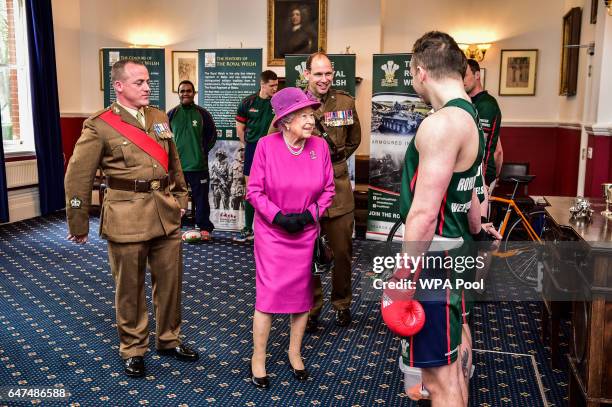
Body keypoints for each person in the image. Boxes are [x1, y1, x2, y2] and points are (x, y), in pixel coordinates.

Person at [64, 59, 199, 379]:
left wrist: (181, 198)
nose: (147, 87)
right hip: (125, 215)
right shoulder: (99, 124)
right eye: (139, 82)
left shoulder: (157, 116)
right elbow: (76, 177)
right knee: (130, 288)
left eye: (148, 81)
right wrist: (78, 221)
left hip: (165, 213)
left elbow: (173, 161)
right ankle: (134, 348)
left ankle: (169, 338)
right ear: (120, 86)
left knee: (170, 283)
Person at [392, 31, 486, 406]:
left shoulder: (443, 123)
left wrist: (402, 277)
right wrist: (477, 224)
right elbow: (473, 187)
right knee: (452, 366)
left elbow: (425, 211)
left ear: (420, 71)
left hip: (435, 260)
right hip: (455, 251)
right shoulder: (470, 114)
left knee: (439, 378)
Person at [246, 87, 335, 388]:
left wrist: (311, 215)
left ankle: (294, 353)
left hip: (306, 231)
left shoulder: (319, 147)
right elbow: (254, 191)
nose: (310, 120)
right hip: (272, 233)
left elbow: (328, 190)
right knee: (268, 298)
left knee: (301, 298)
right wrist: (278, 216)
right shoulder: (266, 146)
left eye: (311, 114)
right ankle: (258, 358)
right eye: (303, 115)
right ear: (285, 120)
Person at [273, 52, 361, 332]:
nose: (324, 80)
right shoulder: (292, 104)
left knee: (342, 251)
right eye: (318, 74)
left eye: (328, 74)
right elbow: (274, 141)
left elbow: (354, 139)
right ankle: (311, 307)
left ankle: (342, 303)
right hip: (303, 190)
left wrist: (332, 161)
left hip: (338, 189)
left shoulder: (345, 102)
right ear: (306, 75)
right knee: (306, 252)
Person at [167, 80, 217, 240]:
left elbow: (212, 136)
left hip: (198, 166)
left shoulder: (203, 114)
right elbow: (164, 138)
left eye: (188, 91)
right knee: (175, 199)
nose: (185, 94)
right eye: (182, 91)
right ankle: (175, 227)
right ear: (178, 93)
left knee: (201, 199)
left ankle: (204, 228)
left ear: (194, 93)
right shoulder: (171, 114)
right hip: (177, 167)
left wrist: (201, 152)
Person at [233, 70, 278, 242]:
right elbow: (240, 129)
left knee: (272, 189)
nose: (275, 88)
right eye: (272, 85)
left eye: (276, 85)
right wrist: (249, 146)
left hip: (273, 150)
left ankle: (269, 227)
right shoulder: (247, 102)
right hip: (253, 148)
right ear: (263, 84)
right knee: (252, 189)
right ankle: (247, 228)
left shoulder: (278, 102)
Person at [464, 59, 503, 194]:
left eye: (466, 75)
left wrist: (490, 179)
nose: (462, 80)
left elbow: (481, 143)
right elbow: (499, 150)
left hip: (481, 176)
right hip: (470, 174)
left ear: (477, 75)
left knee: (479, 216)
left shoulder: (487, 104)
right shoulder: (467, 102)